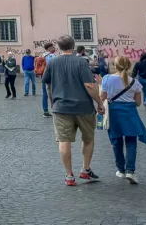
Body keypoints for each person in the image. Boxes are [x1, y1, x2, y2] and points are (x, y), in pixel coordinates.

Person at [42, 35, 103, 186]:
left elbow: (47, 85)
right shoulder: (81, 62)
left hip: (61, 108)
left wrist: (52, 102)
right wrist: (100, 103)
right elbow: (90, 85)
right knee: (88, 139)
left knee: (64, 141)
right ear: (73, 45)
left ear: (59, 47)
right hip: (84, 107)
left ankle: (69, 175)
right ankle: (85, 169)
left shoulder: (52, 62)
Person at [101, 56, 146, 184]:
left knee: (116, 141)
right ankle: (130, 171)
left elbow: (103, 97)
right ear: (128, 66)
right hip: (130, 113)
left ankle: (120, 169)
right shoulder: (135, 82)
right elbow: (138, 103)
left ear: (114, 66)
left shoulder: (107, 79)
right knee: (131, 141)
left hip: (114, 113)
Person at [41, 43, 57, 117]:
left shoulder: (42, 55)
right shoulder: (52, 56)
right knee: (52, 93)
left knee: (45, 94)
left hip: (43, 76)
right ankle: (54, 108)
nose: (54, 48)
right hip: (51, 76)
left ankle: (45, 110)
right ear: (49, 48)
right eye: (53, 47)